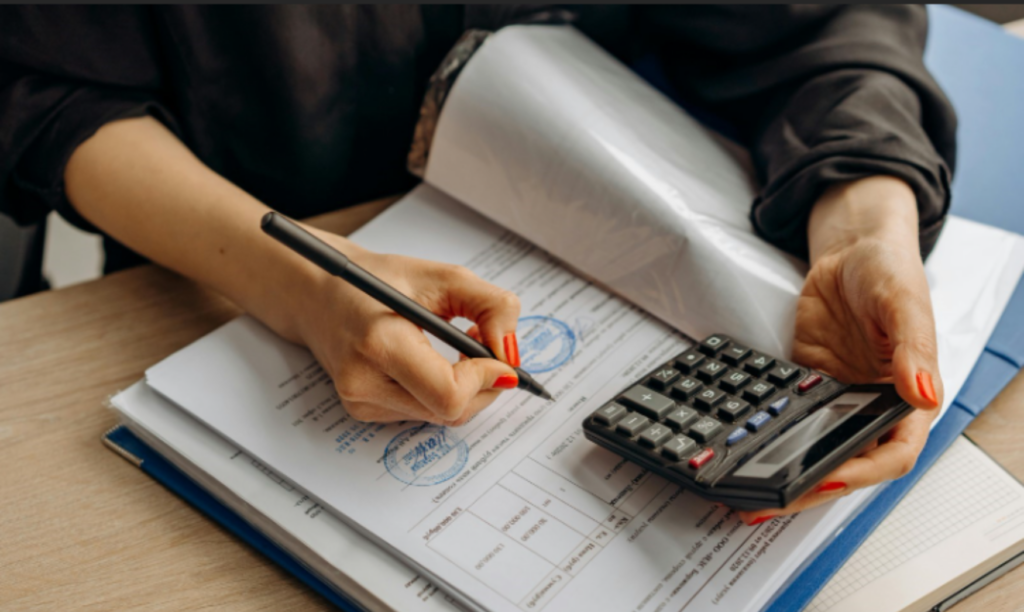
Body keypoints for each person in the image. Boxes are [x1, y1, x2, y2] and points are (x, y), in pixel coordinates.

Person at [0, 5, 954, 522]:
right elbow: (45, 92)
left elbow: (824, 20)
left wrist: (868, 212)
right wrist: (302, 281)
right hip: (223, 245)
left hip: (619, 193)